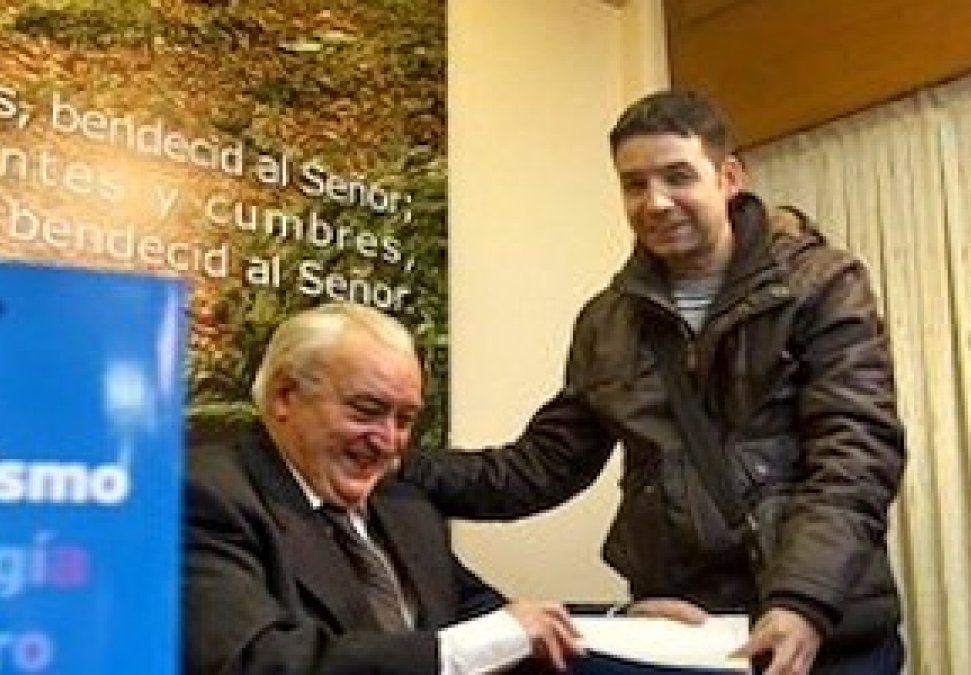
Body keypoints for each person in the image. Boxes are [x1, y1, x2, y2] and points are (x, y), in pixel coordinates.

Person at [404, 89, 906, 674]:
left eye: (678, 177)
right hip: (687, 633)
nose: (656, 202)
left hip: (825, 632)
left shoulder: (821, 285)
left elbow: (856, 454)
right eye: (634, 184)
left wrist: (802, 601)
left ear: (729, 177)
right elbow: (540, 468)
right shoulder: (606, 322)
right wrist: (395, 464)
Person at [185, 302, 582, 674]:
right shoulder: (206, 497)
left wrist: (591, 624)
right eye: (367, 411)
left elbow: (479, 611)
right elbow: (256, 661)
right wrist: (462, 650)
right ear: (285, 396)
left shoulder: (400, 498)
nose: (388, 441)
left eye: (405, 419)